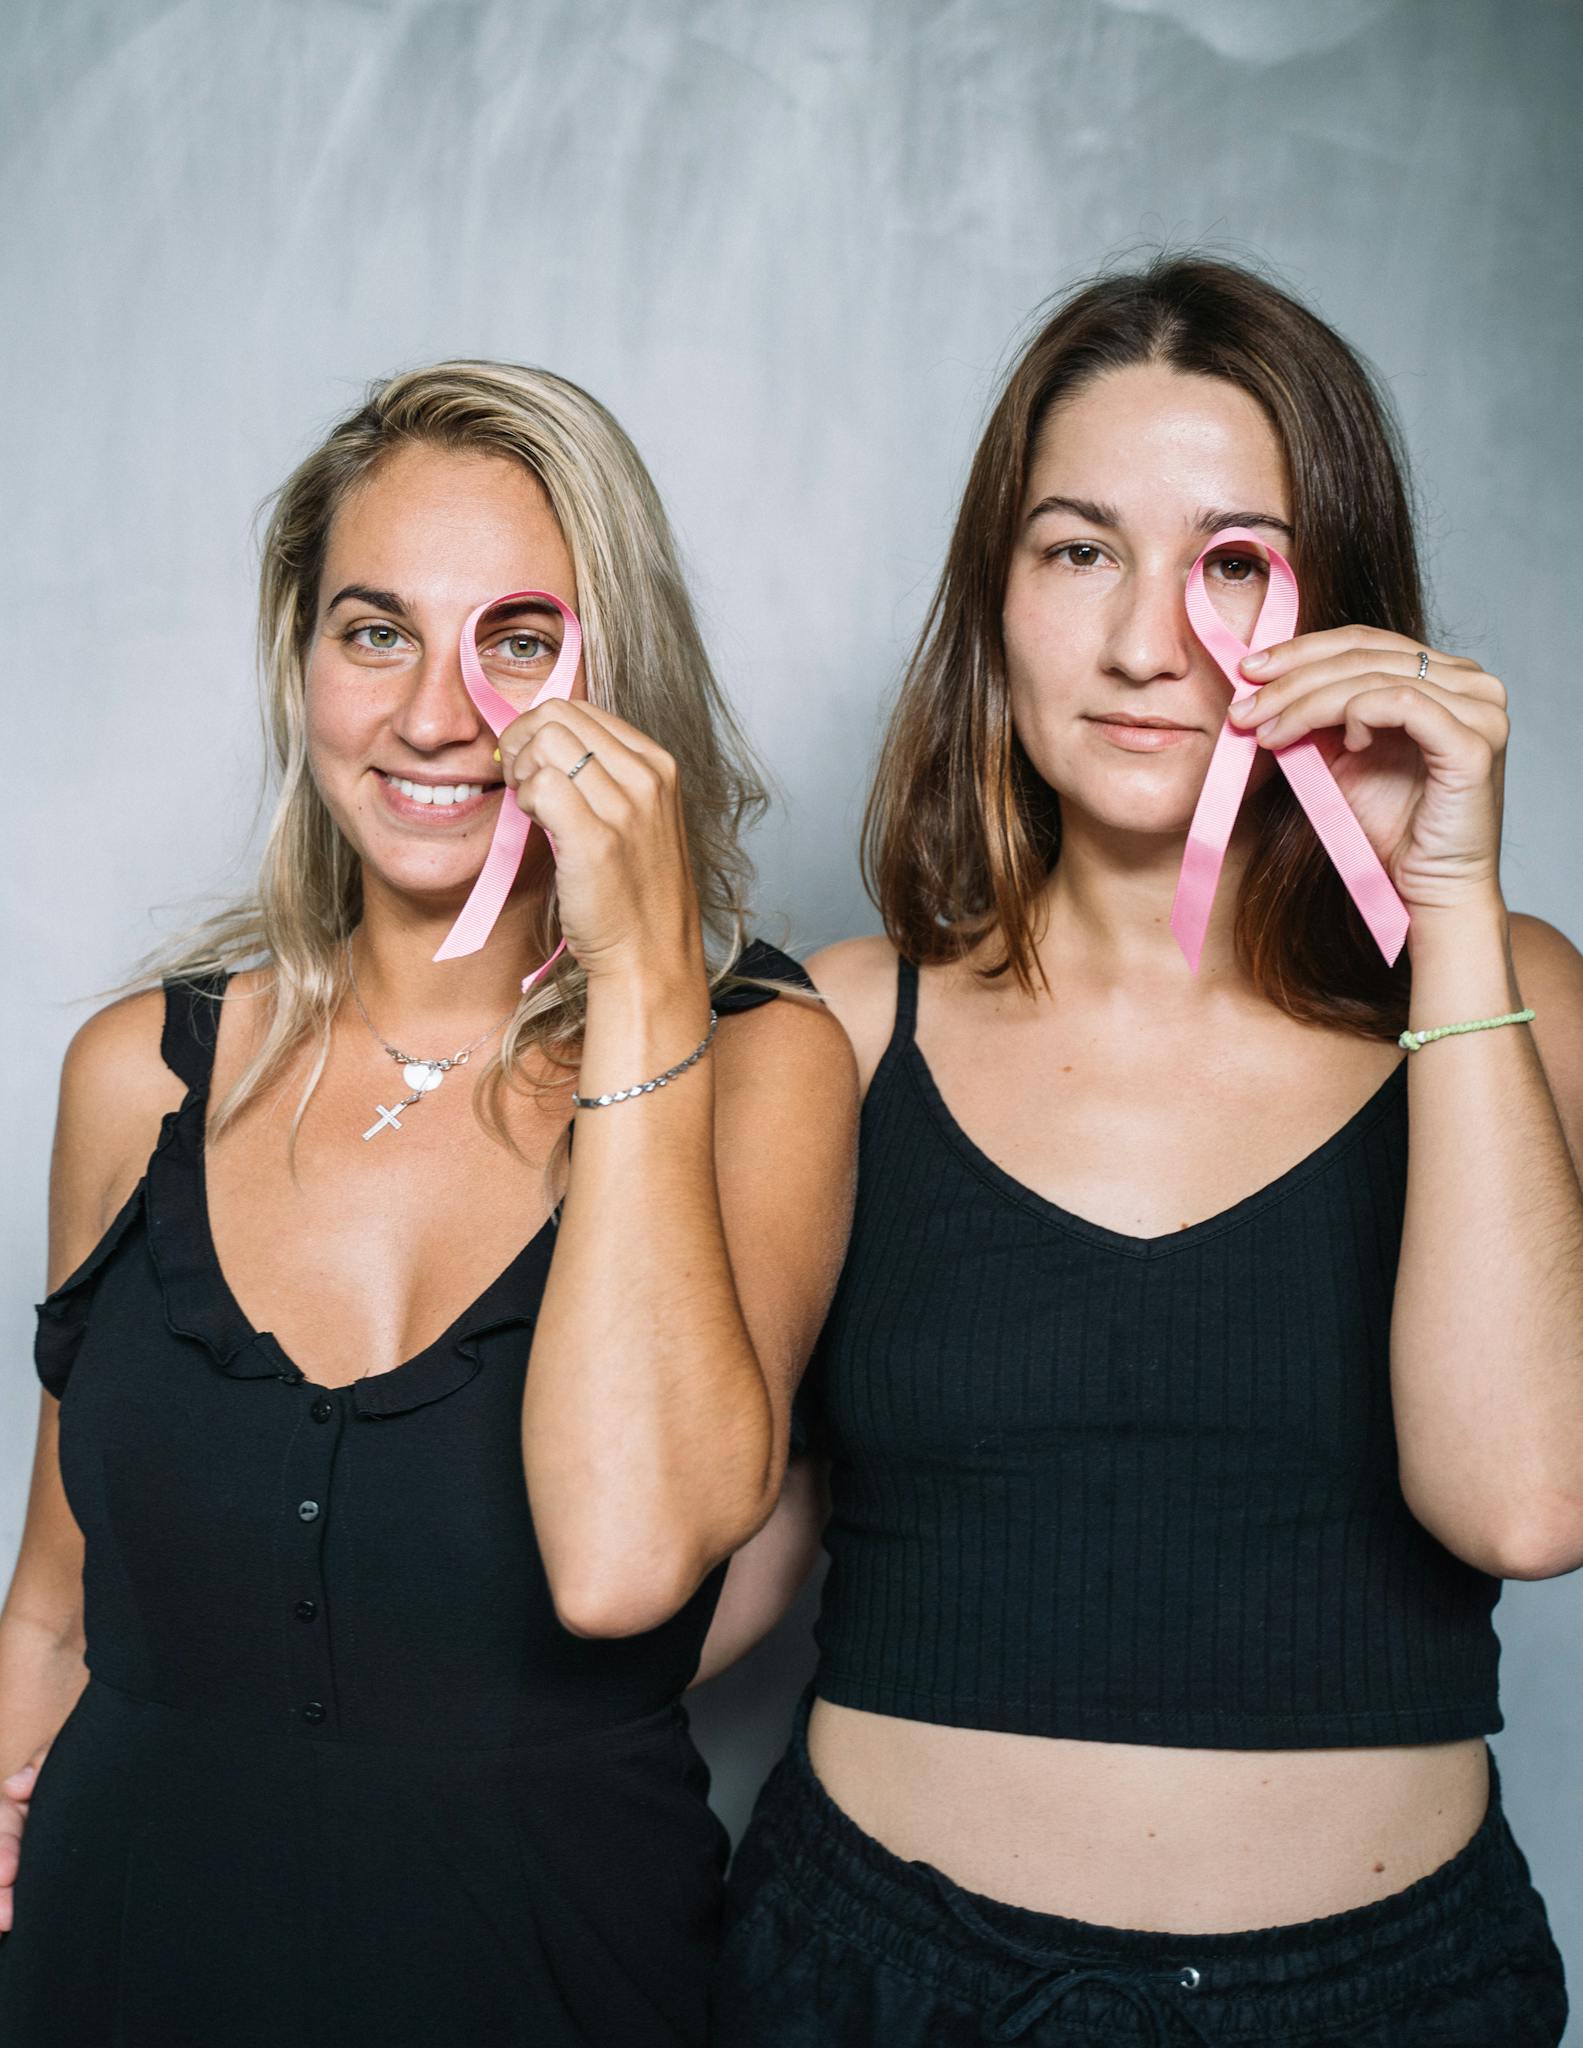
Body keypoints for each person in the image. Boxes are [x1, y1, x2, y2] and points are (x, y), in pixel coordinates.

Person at [712, 258, 1583, 2045]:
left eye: (1234, 564)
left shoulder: (1513, 996)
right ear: (997, 596)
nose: (1141, 644)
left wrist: (1452, 911)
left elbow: (1522, 1501)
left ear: (1343, 603)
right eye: (1079, 548)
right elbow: (689, 1559)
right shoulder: (843, 1025)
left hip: (1388, 1998)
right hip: (877, 1981)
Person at [0, 360, 856, 2048]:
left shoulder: (763, 1065)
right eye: (375, 629)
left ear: (623, 682)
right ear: (301, 656)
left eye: (518, 642)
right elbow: (51, 1603)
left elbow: (634, 1555)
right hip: (113, 1972)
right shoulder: (137, 1071)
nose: (434, 717)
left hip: (561, 1982)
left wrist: (641, 984)